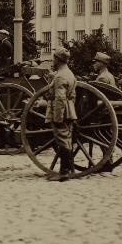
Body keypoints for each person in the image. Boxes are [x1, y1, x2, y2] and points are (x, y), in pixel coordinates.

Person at [45, 47, 77, 181]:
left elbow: (60, 99)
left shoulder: (60, 76)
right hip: (69, 110)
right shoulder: (69, 73)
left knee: (62, 140)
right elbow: (73, 95)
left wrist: (57, 117)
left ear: (58, 59)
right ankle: (69, 169)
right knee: (67, 139)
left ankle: (64, 172)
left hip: (61, 112)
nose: (53, 61)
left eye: (54, 58)